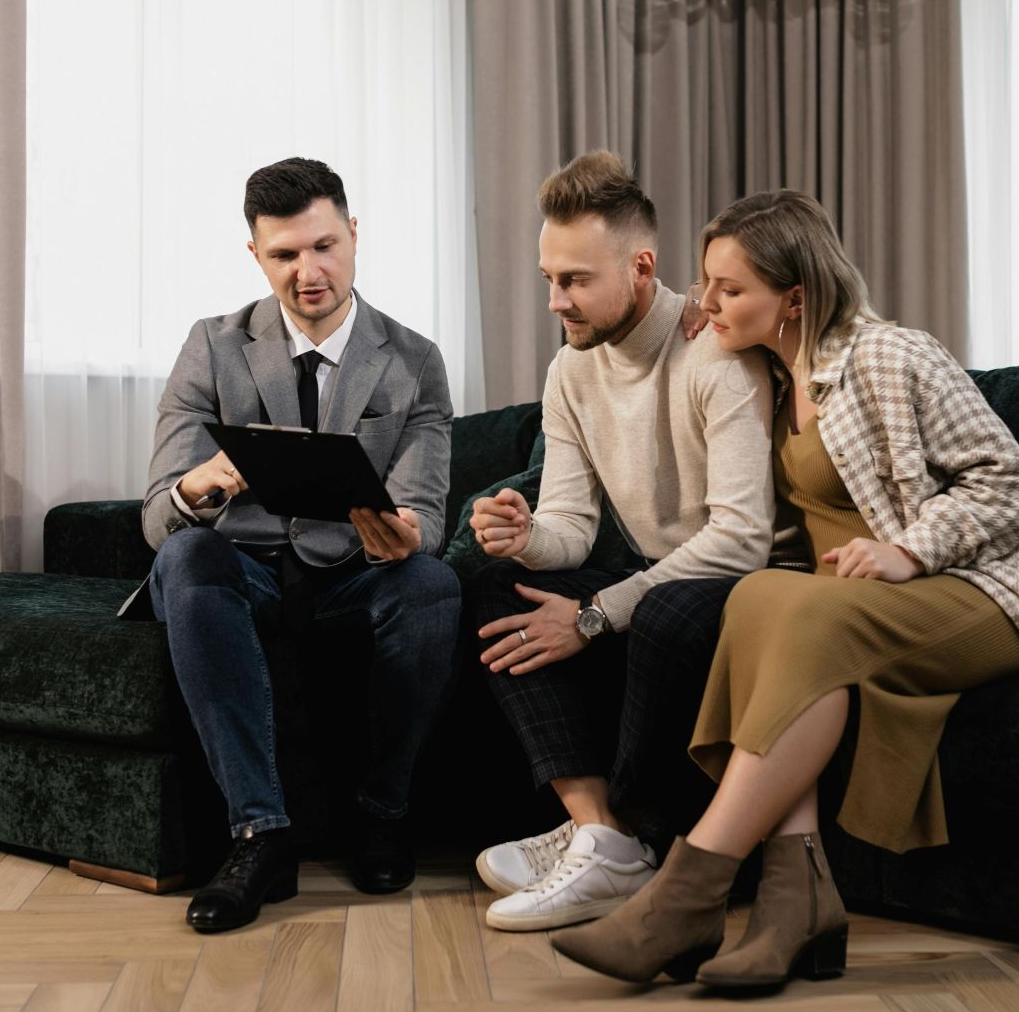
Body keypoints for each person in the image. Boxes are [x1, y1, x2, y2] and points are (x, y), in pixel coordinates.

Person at [552, 190, 1019, 988]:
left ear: (797, 298)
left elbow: (1008, 480)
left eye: (730, 289)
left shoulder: (893, 355)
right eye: (706, 283)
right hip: (852, 606)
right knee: (755, 599)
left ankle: (689, 893)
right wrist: (703, 320)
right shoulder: (771, 374)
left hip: (986, 592)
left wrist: (910, 551)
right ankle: (799, 905)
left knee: (785, 607)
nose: (707, 302)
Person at [465, 152, 795, 933]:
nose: (555, 301)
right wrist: (521, 537)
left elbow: (743, 540)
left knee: (659, 611)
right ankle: (600, 832)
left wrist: (592, 617)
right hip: (665, 575)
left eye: (575, 280)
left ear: (641, 267)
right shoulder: (570, 373)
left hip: (753, 584)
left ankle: (635, 838)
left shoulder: (717, 353)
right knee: (488, 588)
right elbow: (572, 531)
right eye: (549, 278)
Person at [141, 157, 459, 933]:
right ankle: (259, 833)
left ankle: (382, 813)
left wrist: (407, 532)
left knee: (433, 587)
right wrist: (195, 488)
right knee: (185, 555)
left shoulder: (414, 359)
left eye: (324, 246)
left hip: (353, 577)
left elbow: (427, 511)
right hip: (240, 571)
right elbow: (157, 516)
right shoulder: (211, 347)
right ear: (256, 255)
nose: (308, 272)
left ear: (354, 235)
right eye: (284, 255)